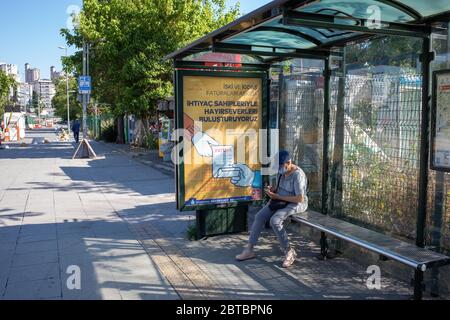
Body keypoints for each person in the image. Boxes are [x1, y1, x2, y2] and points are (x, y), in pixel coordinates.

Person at [236, 150, 308, 268]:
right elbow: (278, 188)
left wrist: (278, 196)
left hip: (295, 203)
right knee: (259, 216)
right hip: (280, 200)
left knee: (275, 220)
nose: (280, 169)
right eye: (278, 166)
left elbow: (300, 198)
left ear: (289, 162)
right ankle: (249, 249)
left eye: (281, 166)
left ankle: (289, 252)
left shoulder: (298, 175)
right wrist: (272, 190)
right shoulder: (281, 172)